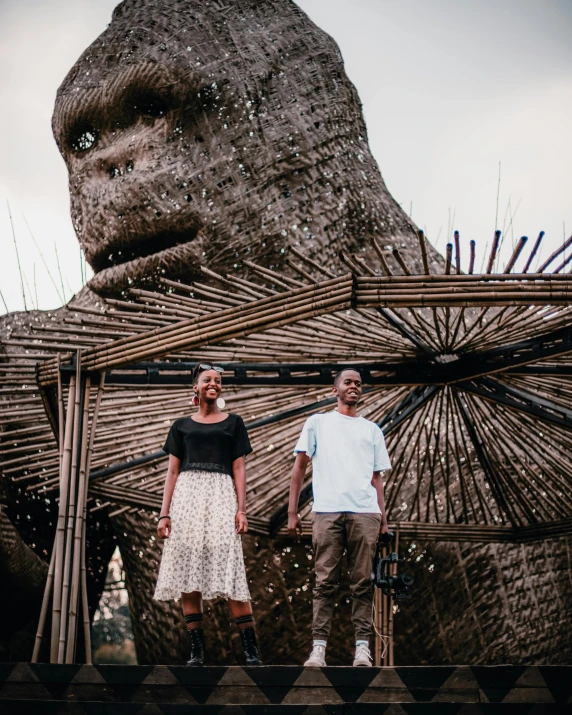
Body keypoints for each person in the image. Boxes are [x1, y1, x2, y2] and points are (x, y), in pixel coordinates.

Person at [154, 363, 262, 666]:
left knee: (230, 565)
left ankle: (251, 652)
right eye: (207, 380)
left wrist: (241, 509)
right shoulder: (181, 426)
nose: (213, 384)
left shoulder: (234, 423)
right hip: (187, 497)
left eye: (217, 380)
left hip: (220, 496)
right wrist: (164, 515)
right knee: (188, 571)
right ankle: (196, 652)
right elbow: (172, 472)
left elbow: (239, 467)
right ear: (195, 387)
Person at [288, 368, 391, 667]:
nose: (354, 387)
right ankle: (318, 648)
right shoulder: (317, 423)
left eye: (358, 384)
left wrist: (384, 519)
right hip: (327, 510)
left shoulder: (372, 429)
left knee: (362, 582)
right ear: (335, 390)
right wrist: (293, 512)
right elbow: (299, 468)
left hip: (365, 511)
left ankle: (362, 648)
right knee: (324, 583)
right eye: (348, 382)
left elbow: (376, 479)